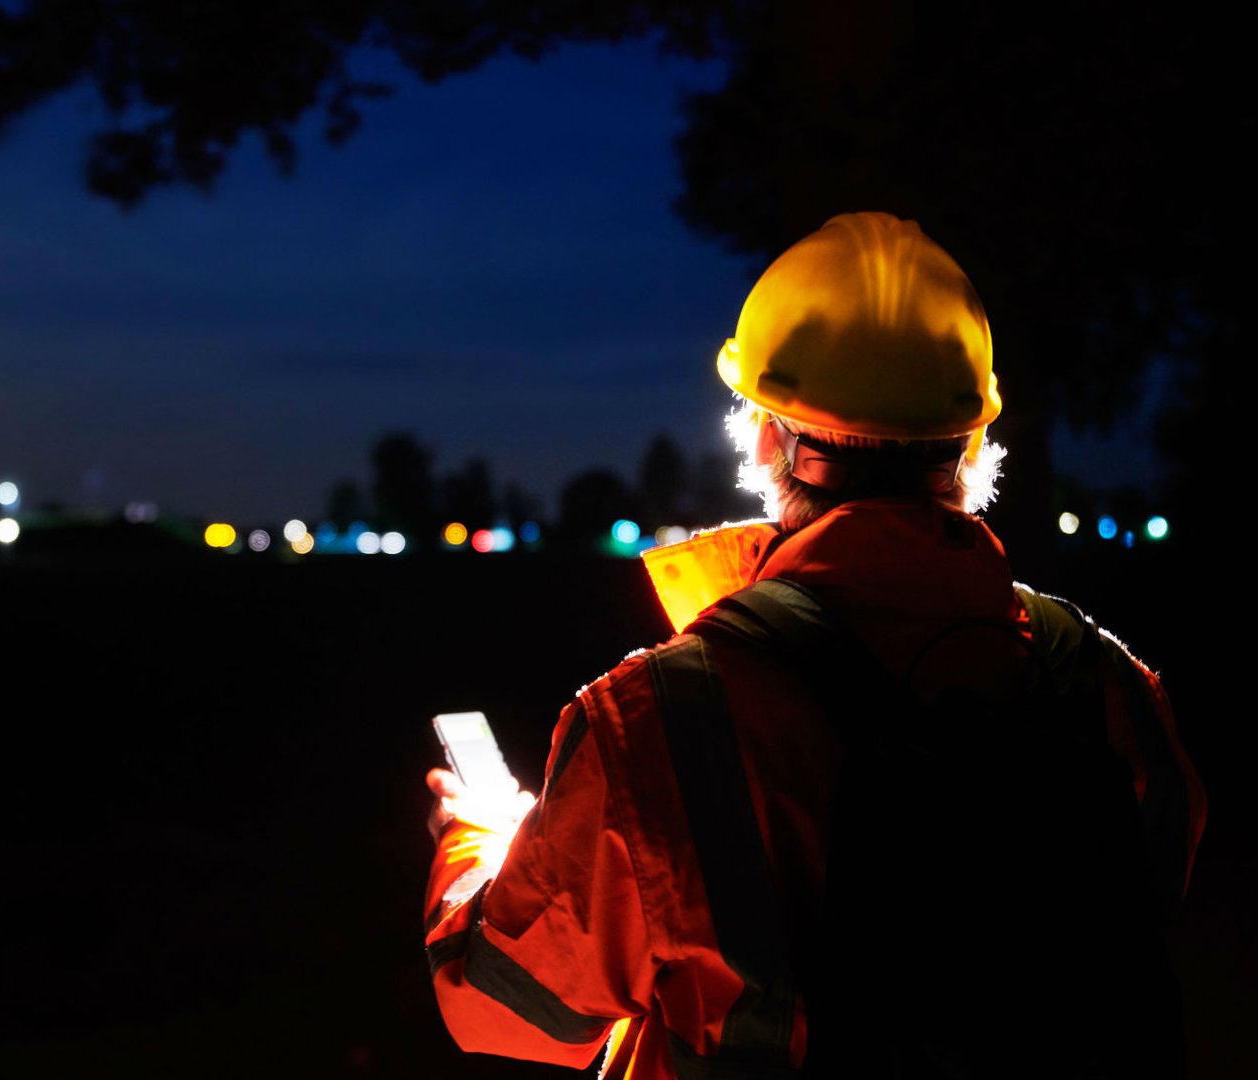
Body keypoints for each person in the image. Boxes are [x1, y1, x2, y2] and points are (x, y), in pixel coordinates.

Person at [421, 212, 1206, 1079]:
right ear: (974, 440)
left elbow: (504, 1006)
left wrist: (479, 842)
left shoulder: (664, 724)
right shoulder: (1114, 691)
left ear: (766, 436)